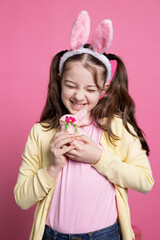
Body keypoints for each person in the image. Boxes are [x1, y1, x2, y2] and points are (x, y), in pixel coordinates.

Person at [14, 11, 154, 240]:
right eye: (71, 85)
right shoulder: (41, 133)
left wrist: (98, 158)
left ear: (104, 89)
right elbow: (21, 199)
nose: (79, 96)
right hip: (53, 236)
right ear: (59, 81)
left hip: (104, 235)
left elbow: (145, 181)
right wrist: (52, 166)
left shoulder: (116, 127)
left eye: (90, 89)